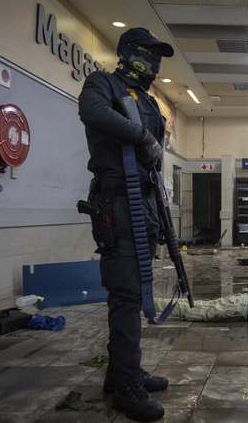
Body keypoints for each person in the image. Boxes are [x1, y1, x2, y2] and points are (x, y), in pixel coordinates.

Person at [78, 27, 174, 422]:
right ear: (131, 52)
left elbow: (154, 157)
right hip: (117, 201)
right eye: (149, 52)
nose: (155, 60)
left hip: (144, 202)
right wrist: (142, 135)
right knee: (126, 295)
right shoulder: (103, 83)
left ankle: (121, 372)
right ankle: (126, 389)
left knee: (132, 294)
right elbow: (93, 113)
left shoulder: (149, 100)